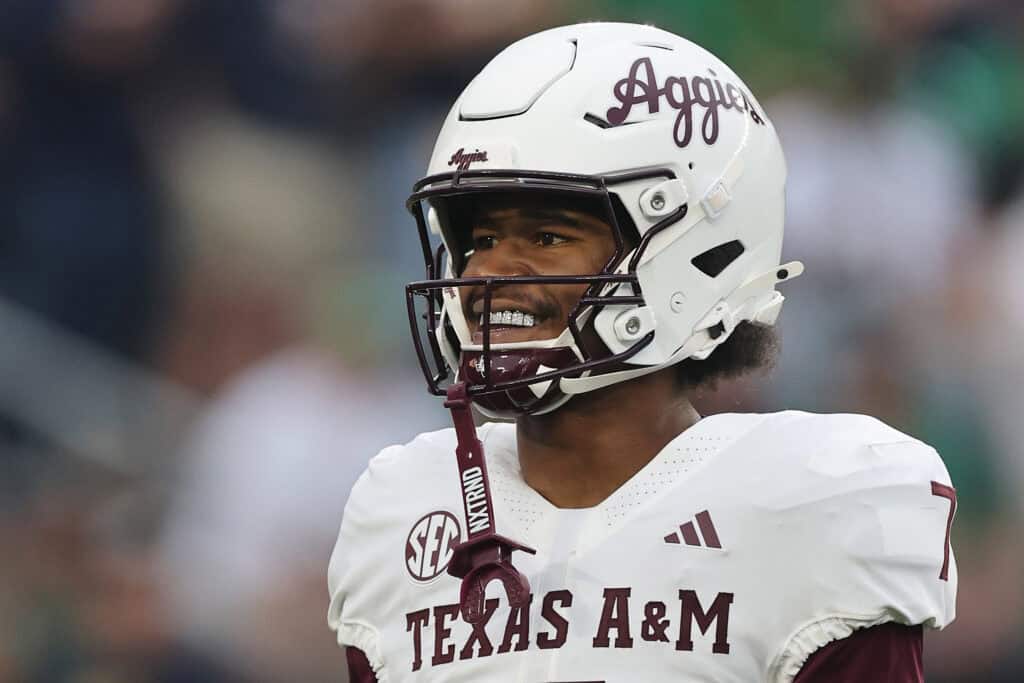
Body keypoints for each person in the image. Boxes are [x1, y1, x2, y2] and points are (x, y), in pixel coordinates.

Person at [327, 22, 957, 682]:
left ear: (691, 252)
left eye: (545, 236)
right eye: (480, 238)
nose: (485, 272)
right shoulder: (403, 507)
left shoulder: (812, 504)